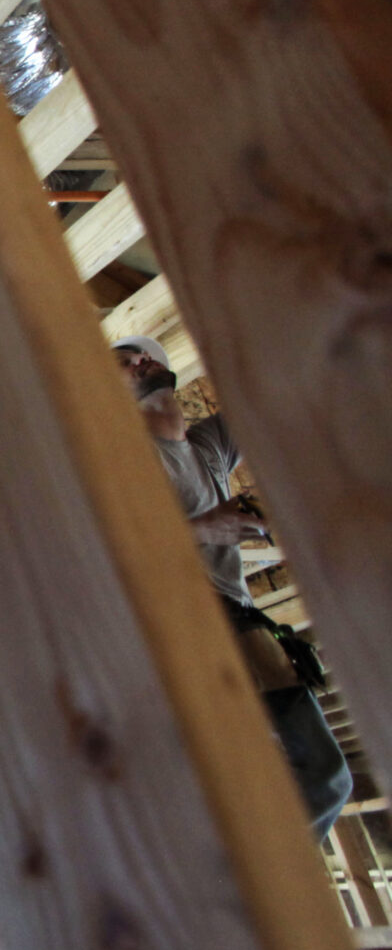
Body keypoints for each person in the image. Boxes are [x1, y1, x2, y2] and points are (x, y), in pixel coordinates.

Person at [114, 333, 350, 838]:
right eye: (122, 361)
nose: (139, 360)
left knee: (321, 780)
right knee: (303, 781)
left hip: (240, 620)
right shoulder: (117, 459)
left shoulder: (207, 447)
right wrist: (201, 529)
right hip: (177, 623)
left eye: (144, 355)